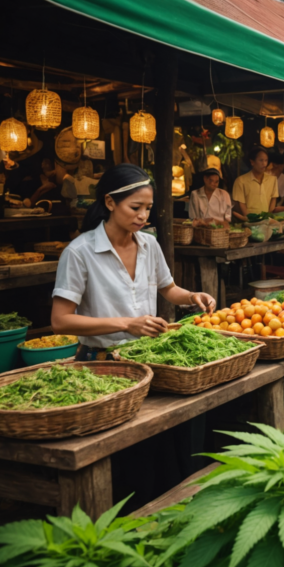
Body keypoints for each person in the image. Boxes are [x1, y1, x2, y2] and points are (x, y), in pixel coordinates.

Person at [51, 163, 216, 504]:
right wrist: (127, 323)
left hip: (152, 362)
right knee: (130, 463)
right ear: (110, 203)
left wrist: (192, 297)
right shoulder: (80, 252)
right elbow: (61, 321)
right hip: (102, 370)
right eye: (135, 208)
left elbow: (168, 289)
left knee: (166, 451)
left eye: (148, 209)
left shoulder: (149, 244)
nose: (143, 216)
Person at [232, 146, 278, 221]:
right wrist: (250, 219)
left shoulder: (273, 180)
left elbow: (273, 200)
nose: (264, 164)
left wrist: (269, 217)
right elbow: (241, 204)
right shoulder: (241, 181)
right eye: (261, 160)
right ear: (252, 162)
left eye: (266, 160)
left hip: (267, 221)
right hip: (250, 222)